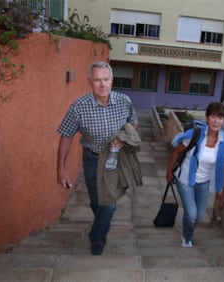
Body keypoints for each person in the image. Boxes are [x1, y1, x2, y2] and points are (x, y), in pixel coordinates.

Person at [57, 61, 139, 255]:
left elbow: (134, 124)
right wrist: (60, 169)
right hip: (93, 160)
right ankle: (101, 221)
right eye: (97, 80)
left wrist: (123, 137)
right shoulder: (79, 107)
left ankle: (96, 238)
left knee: (108, 205)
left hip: (116, 160)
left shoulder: (124, 101)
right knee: (97, 202)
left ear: (112, 80)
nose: (102, 84)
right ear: (89, 82)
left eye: (106, 79)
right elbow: (66, 136)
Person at [166, 102, 224, 247]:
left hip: (204, 181)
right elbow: (176, 152)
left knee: (199, 215)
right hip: (185, 178)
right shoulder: (195, 134)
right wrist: (169, 172)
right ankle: (187, 238)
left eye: (220, 118)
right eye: (213, 116)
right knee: (192, 214)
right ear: (207, 117)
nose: (216, 121)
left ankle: (187, 226)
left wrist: (223, 193)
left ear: (223, 120)